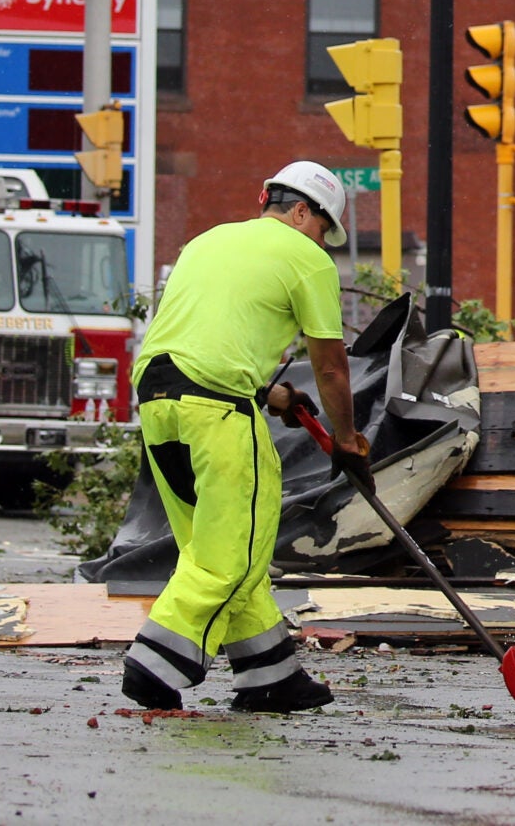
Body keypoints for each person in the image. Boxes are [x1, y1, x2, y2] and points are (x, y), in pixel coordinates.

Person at [119, 160, 370, 713]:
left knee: (225, 546)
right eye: (324, 229)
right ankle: (154, 664)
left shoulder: (207, 242)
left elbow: (204, 340)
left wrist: (273, 395)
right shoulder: (307, 259)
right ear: (303, 211)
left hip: (159, 402)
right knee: (229, 554)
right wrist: (348, 441)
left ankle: (270, 677)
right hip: (218, 409)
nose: (322, 242)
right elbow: (330, 368)